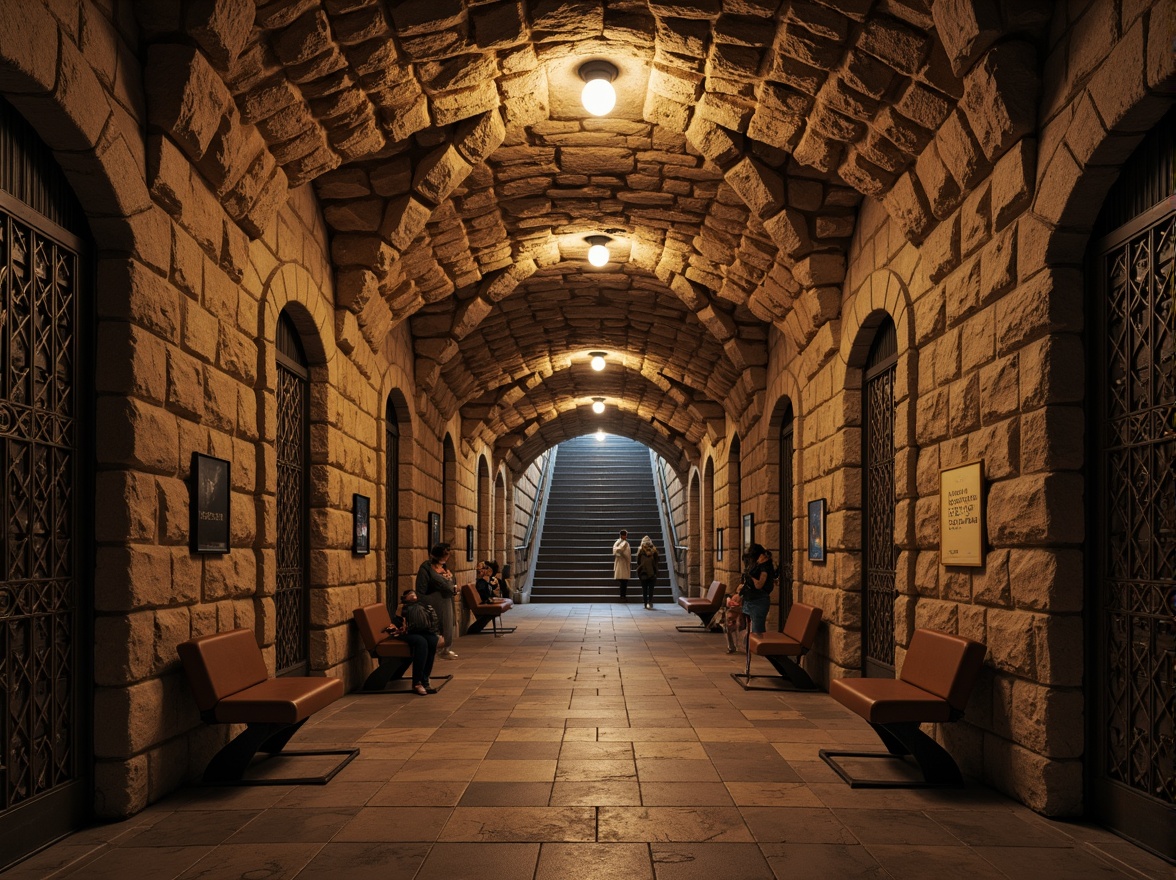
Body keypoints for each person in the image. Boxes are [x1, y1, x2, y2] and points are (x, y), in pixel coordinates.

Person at [387, 589, 440, 695]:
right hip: (405, 633)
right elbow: (396, 623)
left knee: (432, 640)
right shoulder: (401, 607)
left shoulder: (421, 605)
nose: (412, 596)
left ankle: (425, 679)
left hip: (421, 631)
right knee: (421, 642)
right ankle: (417, 682)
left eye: (413, 594)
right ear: (404, 598)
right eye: (409, 595)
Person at [416, 542, 458, 659]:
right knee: (436, 625)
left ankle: (446, 648)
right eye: (445, 554)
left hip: (446, 601)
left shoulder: (444, 567)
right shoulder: (426, 568)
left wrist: (452, 583)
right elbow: (421, 589)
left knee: (447, 624)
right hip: (433, 601)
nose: (447, 556)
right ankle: (436, 648)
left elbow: (452, 582)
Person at [739, 542, 775, 636]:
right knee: (749, 629)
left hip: (758, 601)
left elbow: (759, 585)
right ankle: (750, 648)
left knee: (757, 630)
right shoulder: (758, 565)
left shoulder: (765, 568)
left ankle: (757, 649)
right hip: (750, 599)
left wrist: (751, 577)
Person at [636, 535, 659, 609]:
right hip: (652, 572)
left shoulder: (640, 551)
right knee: (651, 589)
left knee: (644, 589)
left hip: (643, 572)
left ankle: (645, 603)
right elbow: (656, 561)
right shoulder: (654, 551)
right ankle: (650, 601)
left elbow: (638, 562)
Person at [723, 587, 747, 653]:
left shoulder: (739, 596)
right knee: (730, 627)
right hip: (735, 614)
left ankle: (736, 646)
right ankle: (733, 646)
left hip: (739, 614)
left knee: (735, 628)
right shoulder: (736, 596)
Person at [612, 530, 631, 601]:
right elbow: (623, 551)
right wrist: (623, 555)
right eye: (625, 535)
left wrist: (619, 554)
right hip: (623, 562)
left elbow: (615, 550)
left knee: (623, 580)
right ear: (623, 535)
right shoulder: (624, 543)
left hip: (620, 562)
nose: (626, 536)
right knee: (624, 581)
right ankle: (623, 595)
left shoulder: (617, 542)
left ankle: (622, 595)